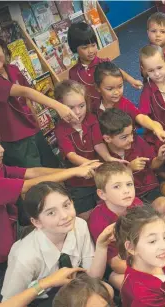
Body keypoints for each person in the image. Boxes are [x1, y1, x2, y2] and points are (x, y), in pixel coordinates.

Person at [0, 118, 100, 265]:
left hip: (12, 227)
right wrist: (75, 171)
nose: (1, 149)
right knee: (67, 233)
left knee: (71, 228)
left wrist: (73, 170)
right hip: (6, 248)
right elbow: (25, 186)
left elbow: (31, 172)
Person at [0, 21, 76, 167]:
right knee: (36, 177)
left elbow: (26, 99)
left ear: (2, 45)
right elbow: (24, 91)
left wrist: (36, 120)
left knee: (52, 166)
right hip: (14, 140)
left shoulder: (12, 69)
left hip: (33, 130)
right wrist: (59, 106)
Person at [98, 108, 165, 213]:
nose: (131, 139)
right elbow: (107, 183)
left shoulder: (137, 142)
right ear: (107, 139)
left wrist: (160, 158)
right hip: (125, 197)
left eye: (132, 133)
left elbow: (152, 165)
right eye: (124, 137)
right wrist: (129, 169)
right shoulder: (103, 154)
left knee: (163, 204)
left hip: (149, 190)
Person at [53, 80, 105, 217]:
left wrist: (108, 158)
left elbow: (98, 144)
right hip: (78, 183)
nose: (77, 112)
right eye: (71, 108)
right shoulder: (60, 129)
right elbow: (71, 155)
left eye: (81, 106)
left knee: (104, 209)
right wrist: (93, 165)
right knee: (85, 216)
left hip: (98, 176)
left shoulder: (92, 119)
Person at [68, 22, 142, 106]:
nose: (91, 50)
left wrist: (131, 80)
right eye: (85, 48)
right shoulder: (73, 72)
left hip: (110, 103)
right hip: (91, 108)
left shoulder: (103, 62)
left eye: (93, 45)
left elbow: (117, 71)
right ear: (74, 49)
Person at [139, 44, 165, 150]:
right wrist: (156, 128)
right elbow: (142, 116)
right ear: (143, 70)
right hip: (160, 135)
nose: (157, 74)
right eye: (151, 71)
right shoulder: (147, 91)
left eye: (159, 68)